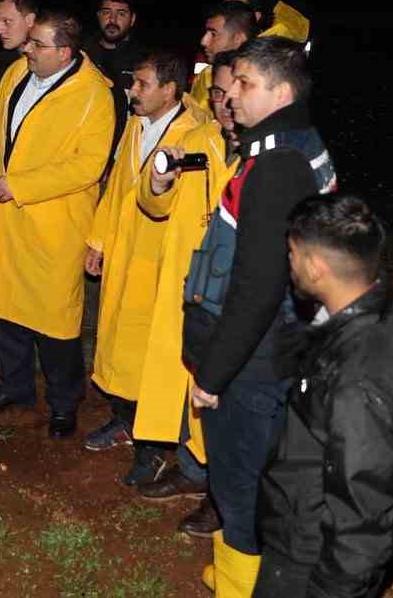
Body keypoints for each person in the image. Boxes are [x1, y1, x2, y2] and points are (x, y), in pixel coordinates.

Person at [180, 37, 336, 595]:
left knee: (239, 478)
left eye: (244, 84)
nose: (231, 96)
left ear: (281, 90)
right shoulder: (294, 142)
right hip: (278, 345)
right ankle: (238, 571)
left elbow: (257, 287)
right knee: (256, 470)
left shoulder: (276, 166)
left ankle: (241, 584)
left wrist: (214, 372)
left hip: (257, 353)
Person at [0, 9, 116, 436]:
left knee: (55, 321)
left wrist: (21, 185)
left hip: (54, 226)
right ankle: (16, 386)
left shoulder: (94, 95)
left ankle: (64, 403)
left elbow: (89, 166)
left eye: (36, 44)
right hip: (7, 219)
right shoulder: (19, 73)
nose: (26, 48)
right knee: (6, 310)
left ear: (64, 51)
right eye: (29, 42)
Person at [253, 194, 393, 598]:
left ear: (316, 268)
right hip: (305, 528)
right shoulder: (378, 308)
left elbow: (363, 522)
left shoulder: (360, 381)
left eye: (292, 253)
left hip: (311, 558)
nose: (289, 262)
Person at [131, 51, 241, 539]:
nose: (222, 104)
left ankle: (224, 493)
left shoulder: (268, 154)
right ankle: (195, 468)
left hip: (238, 289)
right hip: (194, 281)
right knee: (192, 380)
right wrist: (160, 179)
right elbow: (153, 203)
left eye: (230, 94)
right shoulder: (194, 140)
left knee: (227, 391)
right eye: (215, 94)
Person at [84, 50, 205, 453]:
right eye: (133, 82)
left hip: (159, 262)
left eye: (142, 85)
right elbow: (117, 186)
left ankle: (151, 445)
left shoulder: (192, 134)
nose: (132, 91)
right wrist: (98, 240)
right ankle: (125, 420)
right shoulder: (136, 125)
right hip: (125, 253)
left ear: (170, 90)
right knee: (119, 342)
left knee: (153, 354)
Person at [85, 0, 147, 165]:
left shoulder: (144, 63)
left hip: (126, 156)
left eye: (121, 14)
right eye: (106, 13)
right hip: (83, 153)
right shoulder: (81, 56)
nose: (112, 20)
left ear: (132, 19)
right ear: (98, 16)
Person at [188, 1, 259, 111]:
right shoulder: (205, 74)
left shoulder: (261, 79)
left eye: (213, 34)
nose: (203, 41)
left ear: (238, 39)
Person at [226, 0, 311, 47]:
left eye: (235, 8)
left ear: (256, 16)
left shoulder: (271, 48)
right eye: (223, 7)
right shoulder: (216, 43)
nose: (225, 13)